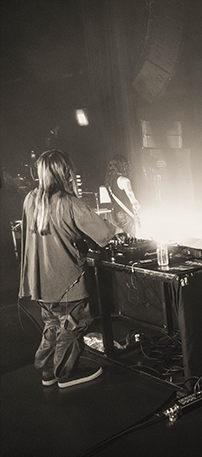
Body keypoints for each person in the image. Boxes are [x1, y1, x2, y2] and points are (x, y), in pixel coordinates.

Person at [20, 149, 117, 388]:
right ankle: (66, 372)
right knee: (74, 325)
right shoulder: (68, 202)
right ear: (65, 172)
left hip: (40, 283)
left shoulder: (31, 199)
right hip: (67, 281)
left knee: (53, 324)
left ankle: (46, 370)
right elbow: (104, 234)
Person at [104, 154, 140, 237]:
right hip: (126, 214)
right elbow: (133, 200)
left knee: (123, 237)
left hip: (116, 214)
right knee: (132, 237)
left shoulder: (109, 182)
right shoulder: (124, 180)